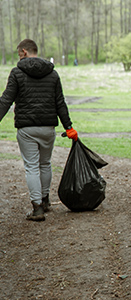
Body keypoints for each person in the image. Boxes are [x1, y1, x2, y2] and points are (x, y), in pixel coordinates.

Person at [0, 39, 78, 222]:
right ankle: (45, 200)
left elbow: (6, 100)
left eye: (19, 53)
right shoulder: (53, 74)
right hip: (48, 128)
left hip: (27, 129)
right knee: (45, 163)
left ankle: (37, 209)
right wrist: (69, 127)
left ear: (25, 51)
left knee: (32, 167)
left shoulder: (17, 72)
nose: (19, 57)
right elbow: (60, 103)